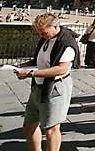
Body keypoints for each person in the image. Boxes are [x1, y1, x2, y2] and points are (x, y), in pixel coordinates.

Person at [16, 13, 79, 151]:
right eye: (40, 33)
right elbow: (40, 61)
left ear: (55, 26)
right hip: (38, 86)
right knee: (29, 126)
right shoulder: (45, 38)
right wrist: (24, 66)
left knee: (51, 129)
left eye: (44, 32)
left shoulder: (67, 43)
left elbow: (61, 69)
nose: (42, 35)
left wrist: (30, 73)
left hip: (55, 88)